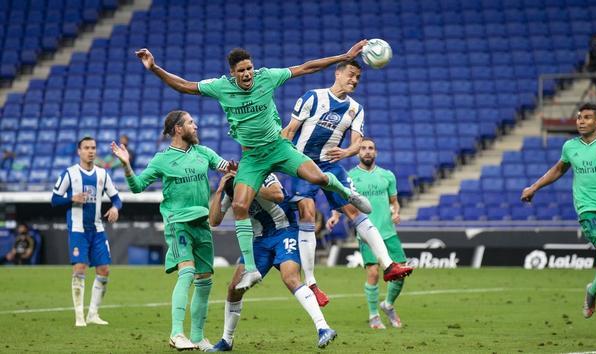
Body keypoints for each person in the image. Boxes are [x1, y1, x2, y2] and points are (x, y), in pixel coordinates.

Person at [135, 42, 373, 291]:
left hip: (278, 148)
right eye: (241, 71)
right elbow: (184, 86)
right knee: (239, 205)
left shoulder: (267, 77)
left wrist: (344, 57)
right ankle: (250, 269)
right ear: (233, 73)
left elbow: (306, 68)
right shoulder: (221, 87)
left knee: (319, 179)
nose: (247, 74)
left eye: (249, 68)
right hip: (252, 157)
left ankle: (349, 194)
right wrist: (154, 68)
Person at [281, 60, 413, 307]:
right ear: (338, 73)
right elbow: (288, 132)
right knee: (307, 212)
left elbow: (356, 143)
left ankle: (389, 266)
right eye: (351, 75)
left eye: (358, 78)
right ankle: (311, 283)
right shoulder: (312, 98)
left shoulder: (355, 108)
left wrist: (346, 152)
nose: (354, 80)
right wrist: (283, 162)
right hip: (302, 163)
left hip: (331, 163)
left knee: (354, 210)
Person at [111, 110, 230, 351]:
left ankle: (197, 337)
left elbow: (229, 168)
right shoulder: (161, 159)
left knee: (205, 281)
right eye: (190, 123)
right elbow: (136, 187)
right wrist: (126, 166)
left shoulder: (203, 153)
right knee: (186, 273)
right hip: (179, 223)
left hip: (202, 223)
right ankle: (177, 333)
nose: (195, 126)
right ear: (178, 128)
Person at [521, 103, 596, 321]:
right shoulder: (570, 147)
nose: (581, 121)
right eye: (579, 117)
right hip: (588, 210)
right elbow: (558, 169)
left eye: (586, 117)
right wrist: (534, 187)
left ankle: (592, 291)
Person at [209, 170, 337, 350]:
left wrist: (249, 187)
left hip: (285, 232)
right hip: (259, 241)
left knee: (290, 277)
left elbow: (278, 195)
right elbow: (214, 221)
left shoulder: (264, 175)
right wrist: (220, 191)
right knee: (233, 289)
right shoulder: (232, 192)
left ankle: (323, 328)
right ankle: (226, 340)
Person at [327, 138, 408, 329]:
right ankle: (373, 316)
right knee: (373, 273)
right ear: (358, 153)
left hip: (389, 232)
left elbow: (394, 201)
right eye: (363, 148)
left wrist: (396, 211)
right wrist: (335, 216)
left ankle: (387, 305)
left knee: (401, 271)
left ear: (376, 153)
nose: (367, 151)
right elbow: (342, 200)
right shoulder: (350, 177)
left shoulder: (387, 176)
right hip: (367, 234)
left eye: (371, 148)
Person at [51, 136, 122, 327]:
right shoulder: (69, 174)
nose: (91, 151)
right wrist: (72, 198)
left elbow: (117, 198)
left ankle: (93, 314)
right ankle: (79, 317)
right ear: (79, 151)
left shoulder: (102, 174)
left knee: (104, 270)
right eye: (86, 148)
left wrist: (115, 208)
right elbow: (54, 199)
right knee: (80, 268)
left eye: (93, 148)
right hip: (78, 230)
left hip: (97, 229)